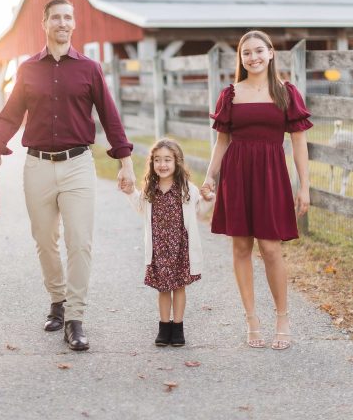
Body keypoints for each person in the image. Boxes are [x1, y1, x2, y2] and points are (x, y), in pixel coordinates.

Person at [0, 0, 136, 351]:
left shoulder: (90, 69)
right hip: (37, 166)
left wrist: (125, 161)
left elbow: (110, 116)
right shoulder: (28, 69)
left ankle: (76, 318)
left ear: (73, 25)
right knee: (45, 241)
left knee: (80, 242)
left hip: (78, 164)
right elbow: (10, 116)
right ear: (44, 23)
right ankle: (58, 301)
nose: (63, 23)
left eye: (68, 18)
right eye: (56, 18)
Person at [201, 30, 312, 351]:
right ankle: (251, 319)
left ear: (271, 53)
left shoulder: (286, 92)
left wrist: (304, 186)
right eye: (246, 53)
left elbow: (299, 142)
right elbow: (221, 141)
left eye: (259, 51)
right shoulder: (230, 94)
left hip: (271, 175)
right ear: (241, 58)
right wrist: (210, 177)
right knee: (240, 248)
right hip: (237, 175)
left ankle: (282, 318)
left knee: (271, 248)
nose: (253, 57)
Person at [121, 139, 210, 347]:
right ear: (152, 163)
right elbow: (140, 208)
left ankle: (178, 328)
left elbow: (199, 212)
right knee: (163, 289)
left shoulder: (187, 188)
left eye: (167, 160)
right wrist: (129, 192)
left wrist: (209, 199)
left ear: (177, 162)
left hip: (180, 247)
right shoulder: (150, 188)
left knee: (179, 288)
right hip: (159, 249)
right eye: (158, 160)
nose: (162, 165)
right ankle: (164, 326)